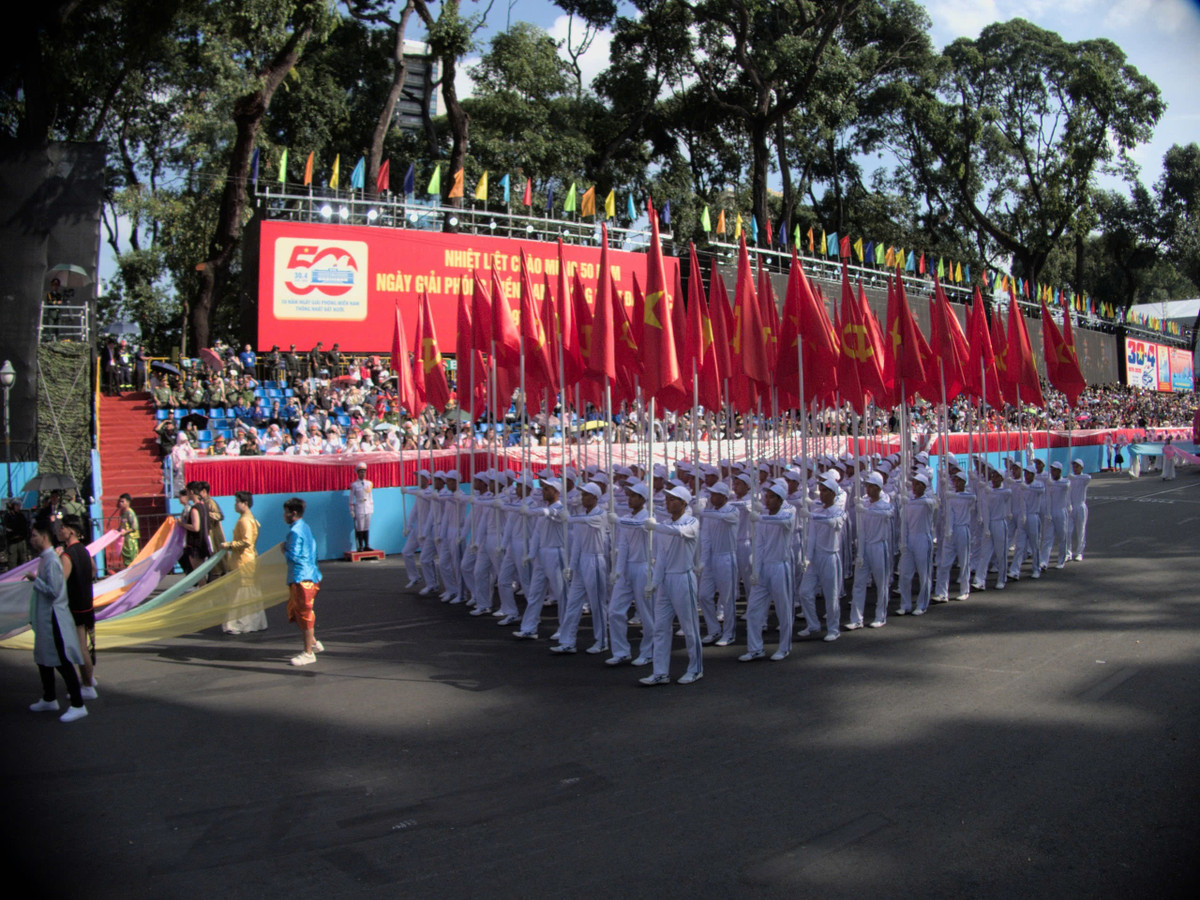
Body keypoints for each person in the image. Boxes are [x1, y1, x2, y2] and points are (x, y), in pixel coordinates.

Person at [638, 485, 703, 685]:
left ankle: (695, 669)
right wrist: (654, 583)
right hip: (666, 580)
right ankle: (660, 672)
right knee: (660, 627)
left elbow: (681, 532)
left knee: (689, 627)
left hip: (684, 578)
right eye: (666, 499)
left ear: (684, 503)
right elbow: (662, 558)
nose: (668, 503)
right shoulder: (664, 525)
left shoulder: (692, 521)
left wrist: (656, 526)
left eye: (673, 499)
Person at [26, 520, 88, 722]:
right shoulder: (47, 558)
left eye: (34, 535)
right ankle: (49, 697)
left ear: (44, 536)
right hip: (46, 617)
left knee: (61, 660)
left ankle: (78, 704)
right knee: (43, 658)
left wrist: (36, 581)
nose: (32, 539)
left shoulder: (52, 560)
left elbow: (54, 591)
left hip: (54, 618)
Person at [551, 482, 610, 655]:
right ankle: (567, 641)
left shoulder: (601, 514)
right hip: (582, 561)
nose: (582, 498)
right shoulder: (580, 515)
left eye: (585, 495)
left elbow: (585, 521)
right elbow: (576, 542)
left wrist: (568, 517)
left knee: (597, 604)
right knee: (573, 603)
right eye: (581, 495)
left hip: (596, 560)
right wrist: (572, 565)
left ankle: (602, 641)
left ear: (594, 497)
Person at [740, 482, 797, 661]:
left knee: (783, 608)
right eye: (766, 496)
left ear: (780, 500)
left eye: (771, 497)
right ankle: (755, 648)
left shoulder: (788, 513)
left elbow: (783, 522)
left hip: (780, 566)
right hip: (764, 568)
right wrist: (755, 569)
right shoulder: (762, 518)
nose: (767, 499)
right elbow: (759, 545)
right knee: (754, 610)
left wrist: (761, 518)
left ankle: (784, 646)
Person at [57, 515, 98, 699]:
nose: (60, 530)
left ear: (71, 530)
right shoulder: (83, 550)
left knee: (81, 647)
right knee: (86, 645)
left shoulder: (67, 555)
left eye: (62, 527)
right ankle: (89, 678)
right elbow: (94, 570)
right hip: (87, 602)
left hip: (76, 606)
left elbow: (60, 583)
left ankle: (88, 685)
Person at [281, 497, 323, 666]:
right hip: (311, 574)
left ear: (294, 513)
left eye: (286, 512)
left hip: (301, 577)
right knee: (299, 611)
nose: (284, 516)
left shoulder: (295, 532)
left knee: (305, 614)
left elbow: (294, 556)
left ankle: (308, 652)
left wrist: (284, 549)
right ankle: (312, 643)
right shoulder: (305, 527)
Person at [221, 491, 267, 634]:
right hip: (249, 558)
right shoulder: (250, 518)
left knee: (239, 591)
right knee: (249, 591)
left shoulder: (244, 520)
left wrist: (229, 545)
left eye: (237, 502)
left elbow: (246, 541)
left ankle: (239, 623)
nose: (235, 504)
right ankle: (254, 621)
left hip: (243, 559)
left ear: (245, 503)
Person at [179, 481, 212, 580]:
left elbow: (195, 527)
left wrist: (182, 524)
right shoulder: (204, 506)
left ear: (192, 492)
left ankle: (202, 591)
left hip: (195, 544)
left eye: (187, 491)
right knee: (202, 572)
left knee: (198, 574)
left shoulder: (195, 508)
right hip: (203, 541)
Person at [199, 482, 227, 577]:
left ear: (203, 491)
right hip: (209, 533)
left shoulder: (210, 502)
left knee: (217, 554)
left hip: (214, 533)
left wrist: (206, 513)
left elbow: (220, 516)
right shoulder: (203, 503)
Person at [1067, 459, 1091, 562]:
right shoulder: (1070, 479)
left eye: (1077, 466)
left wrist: (1076, 477)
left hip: (1080, 506)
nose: (1075, 468)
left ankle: (1079, 552)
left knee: (1080, 531)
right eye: (1074, 466)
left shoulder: (1084, 478)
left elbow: (1088, 478)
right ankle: (1067, 553)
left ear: (1081, 468)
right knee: (1067, 531)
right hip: (1071, 507)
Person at [349, 462, 375, 552]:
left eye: (364, 472)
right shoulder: (354, 485)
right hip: (359, 506)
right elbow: (351, 498)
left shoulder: (369, 483)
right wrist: (351, 510)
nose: (362, 474)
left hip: (367, 506)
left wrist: (371, 507)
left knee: (366, 527)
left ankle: (367, 545)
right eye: (361, 472)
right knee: (360, 527)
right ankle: (360, 546)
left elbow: (370, 496)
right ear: (357, 473)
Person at [4, 498, 30, 570]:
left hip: (21, 540)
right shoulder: (8, 516)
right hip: (12, 542)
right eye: (16, 505)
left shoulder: (21, 516)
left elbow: (24, 528)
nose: (18, 507)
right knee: (12, 562)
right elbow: (8, 529)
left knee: (23, 560)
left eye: (19, 505)